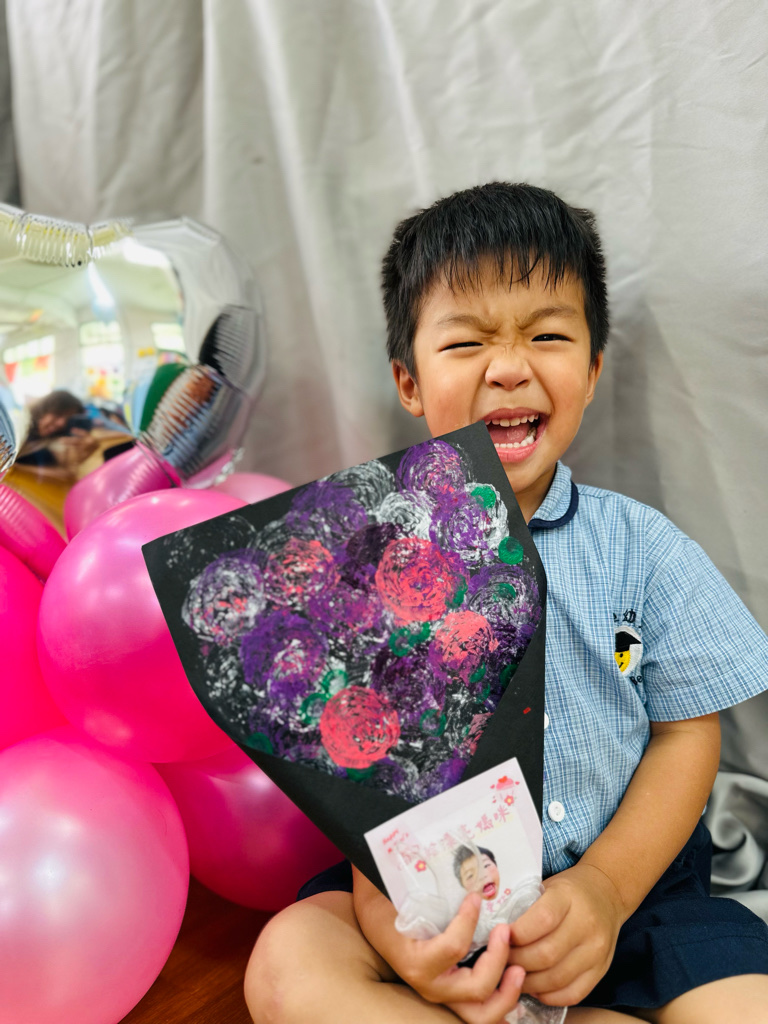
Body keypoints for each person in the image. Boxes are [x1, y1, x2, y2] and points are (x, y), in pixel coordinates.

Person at [244, 182, 768, 1023]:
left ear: (592, 370)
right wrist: (399, 937)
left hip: (632, 894)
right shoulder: (361, 567)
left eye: (548, 335)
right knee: (288, 962)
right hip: (430, 896)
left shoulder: (644, 548)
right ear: (409, 382)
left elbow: (685, 734)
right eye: (467, 343)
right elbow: (357, 783)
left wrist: (606, 889)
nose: (510, 366)